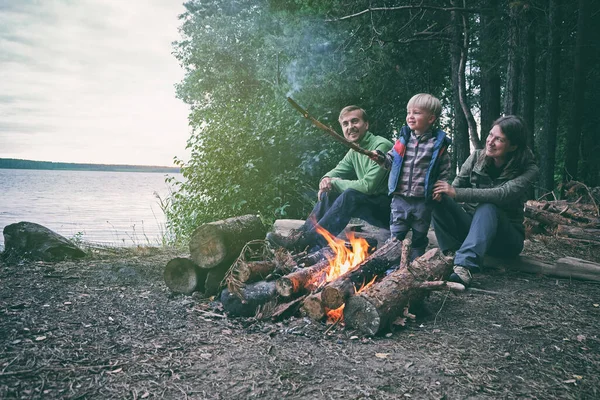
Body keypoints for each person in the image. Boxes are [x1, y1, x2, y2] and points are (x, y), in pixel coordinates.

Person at [431, 115, 539, 287]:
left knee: (488, 206)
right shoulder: (476, 158)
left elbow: (502, 194)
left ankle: (464, 267)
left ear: (513, 146)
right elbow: (454, 187)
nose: (490, 142)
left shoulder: (528, 168)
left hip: (506, 240)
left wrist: (456, 192)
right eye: (490, 135)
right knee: (439, 196)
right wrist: (442, 192)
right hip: (473, 229)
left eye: (499, 139)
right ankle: (450, 255)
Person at [267, 105, 393, 251]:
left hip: (392, 212)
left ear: (366, 124)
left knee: (350, 195)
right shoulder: (355, 150)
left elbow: (368, 186)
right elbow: (336, 171)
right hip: (374, 206)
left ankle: (310, 243)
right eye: (345, 124)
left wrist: (335, 183)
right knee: (331, 192)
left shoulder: (381, 145)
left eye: (355, 121)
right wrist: (326, 180)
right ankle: (301, 236)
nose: (350, 127)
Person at [370, 93, 451, 262]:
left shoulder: (437, 145)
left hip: (423, 200)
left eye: (416, 113)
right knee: (396, 235)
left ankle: (415, 266)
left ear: (431, 119)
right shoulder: (402, 141)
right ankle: (391, 265)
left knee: (419, 235)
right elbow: (390, 161)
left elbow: (444, 171)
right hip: (400, 199)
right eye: (409, 112)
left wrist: (440, 190)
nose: (410, 117)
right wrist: (381, 158)